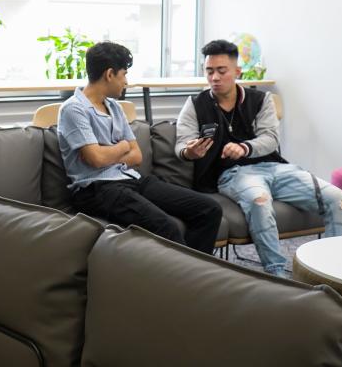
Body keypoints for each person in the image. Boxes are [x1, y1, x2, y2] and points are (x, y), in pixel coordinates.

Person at [175, 39, 342, 276]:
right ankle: (278, 272)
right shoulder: (195, 104)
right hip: (233, 174)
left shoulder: (261, 100)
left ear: (237, 72)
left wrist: (245, 148)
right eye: (209, 71)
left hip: (275, 168)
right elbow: (182, 143)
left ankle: (336, 273)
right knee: (259, 201)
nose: (214, 77)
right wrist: (190, 151)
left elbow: (270, 138)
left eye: (221, 71)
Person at [58, 42, 222, 254]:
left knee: (209, 209)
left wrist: (111, 152)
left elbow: (136, 156)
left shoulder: (115, 107)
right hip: (96, 190)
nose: (126, 82)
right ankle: (184, 282)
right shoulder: (74, 109)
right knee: (166, 227)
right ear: (109, 74)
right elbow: (96, 159)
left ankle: (195, 275)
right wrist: (122, 146)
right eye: (124, 74)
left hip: (130, 179)